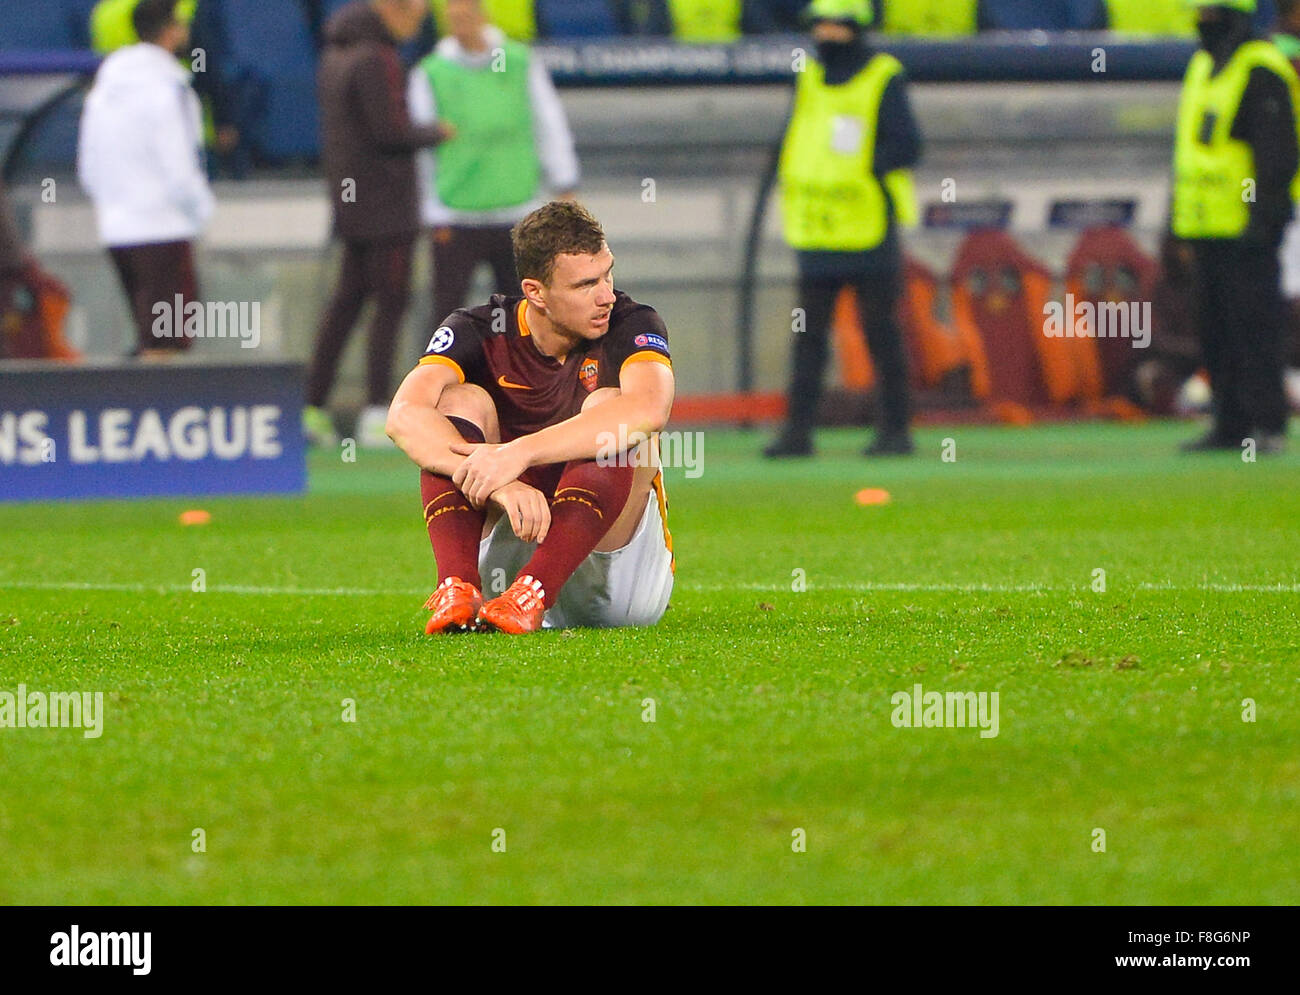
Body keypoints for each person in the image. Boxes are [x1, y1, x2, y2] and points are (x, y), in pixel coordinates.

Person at [386, 201, 676, 635]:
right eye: (585, 285)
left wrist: (516, 454)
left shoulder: (631, 324)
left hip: (614, 580)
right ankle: (458, 587)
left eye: (607, 274)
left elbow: (649, 409)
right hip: (514, 548)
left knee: (613, 412)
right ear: (535, 292)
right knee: (457, 402)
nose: (606, 296)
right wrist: (502, 482)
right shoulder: (479, 330)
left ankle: (536, 591)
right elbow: (404, 415)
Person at [764, 0, 922, 458]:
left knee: (881, 333)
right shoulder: (809, 76)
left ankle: (895, 431)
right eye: (821, 26)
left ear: (858, 27)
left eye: (837, 26)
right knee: (808, 337)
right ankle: (797, 433)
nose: (827, 35)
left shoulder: (883, 74)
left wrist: (861, 171)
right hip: (816, 229)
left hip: (868, 227)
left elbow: (907, 145)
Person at [306, 0, 453, 449]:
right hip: (386, 206)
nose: (419, 20)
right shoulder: (378, 58)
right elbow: (389, 133)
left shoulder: (334, 53)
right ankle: (376, 410)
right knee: (390, 304)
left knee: (346, 305)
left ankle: (311, 408)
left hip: (352, 206)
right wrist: (439, 132)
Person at [408, 0, 579, 343]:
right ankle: (436, 389)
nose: (461, 24)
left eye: (466, 15)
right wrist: (429, 209)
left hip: (517, 209)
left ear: (482, 15)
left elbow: (548, 123)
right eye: (452, 18)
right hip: (456, 212)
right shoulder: (430, 72)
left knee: (526, 312)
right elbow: (420, 149)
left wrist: (564, 181)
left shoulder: (518, 63)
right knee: (445, 315)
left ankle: (528, 389)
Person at [1171, 0, 1299, 454]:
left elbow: (1277, 154)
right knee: (1215, 330)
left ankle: (1267, 423)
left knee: (1255, 329)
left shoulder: (1261, 68)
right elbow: (1188, 151)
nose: (1204, 19)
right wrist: (1178, 225)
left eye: (1213, 11)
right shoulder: (1203, 65)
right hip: (1205, 224)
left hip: (1248, 227)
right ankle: (1230, 423)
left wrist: (1264, 219)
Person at [77, 0, 213, 360]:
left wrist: (113, 207)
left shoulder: (104, 89)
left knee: (149, 335)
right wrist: (200, 213)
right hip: (163, 227)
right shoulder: (169, 88)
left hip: (117, 230)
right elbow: (179, 165)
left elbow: (88, 165)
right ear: (170, 30)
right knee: (165, 341)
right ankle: (152, 409)